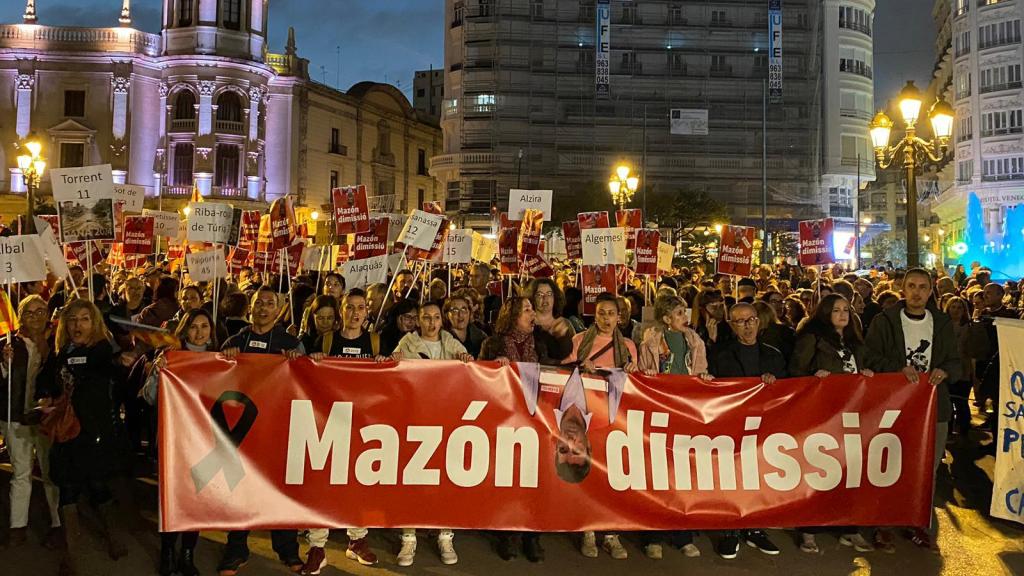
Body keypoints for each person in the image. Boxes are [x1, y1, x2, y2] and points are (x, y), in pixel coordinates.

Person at [864, 268, 961, 552]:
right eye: (911, 286)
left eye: (922, 287)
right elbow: (869, 355)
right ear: (902, 289)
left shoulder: (941, 322)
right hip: (895, 405)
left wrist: (945, 371)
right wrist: (897, 370)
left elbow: (956, 361)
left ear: (931, 291)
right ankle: (883, 524)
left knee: (927, 468)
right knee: (890, 465)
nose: (917, 292)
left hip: (934, 406)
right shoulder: (885, 321)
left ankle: (917, 521)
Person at [217, 288, 304, 576]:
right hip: (243, 429)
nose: (264, 308)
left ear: (279, 310)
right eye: (259, 303)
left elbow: (308, 382)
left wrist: (298, 363)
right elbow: (218, 378)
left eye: (270, 303)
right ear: (250, 308)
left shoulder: (291, 344)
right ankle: (237, 547)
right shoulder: (235, 341)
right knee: (240, 489)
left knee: (280, 490)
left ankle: (287, 548)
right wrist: (225, 357)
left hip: (279, 427)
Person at [301, 288, 383, 573]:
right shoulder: (325, 340)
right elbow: (305, 377)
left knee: (359, 484)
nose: (355, 312)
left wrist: (385, 364)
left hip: (362, 424)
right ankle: (317, 545)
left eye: (360, 307)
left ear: (366, 312)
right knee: (322, 484)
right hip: (328, 423)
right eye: (350, 307)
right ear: (342, 311)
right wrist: (314, 360)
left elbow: (387, 381)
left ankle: (357, 540)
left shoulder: (374, 342)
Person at [788, 293, 876, 553]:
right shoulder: (812, 338)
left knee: (850, 472)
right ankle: (809, 530)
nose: (842, 314)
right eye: (836, 310)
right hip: (822, 417)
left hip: (851, 415)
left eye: (846, 309)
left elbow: (862, 369)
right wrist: (814, 377)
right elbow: (794, 371)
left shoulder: (853, 342)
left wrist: (866, 374)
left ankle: (850, 528)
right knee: (818, 471)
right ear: (825, 313)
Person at [46, 300, 129, 575]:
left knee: (97, 488)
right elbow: (46, 383)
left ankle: (114, 537)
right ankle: (72, 556)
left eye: (84, 319)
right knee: (67, 493)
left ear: (94, 323)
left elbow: (110, 368)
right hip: (67, 434)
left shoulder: (102, 350)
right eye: (72, 320)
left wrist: (122, 361)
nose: (77, 325)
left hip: (94, 435)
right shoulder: (60, 353)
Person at [392, 300, 471, 567]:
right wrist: (389, 362)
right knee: (413, 480)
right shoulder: (407, 344)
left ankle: (445, 533)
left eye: (436, 317)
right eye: (426, 317)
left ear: (442, 320)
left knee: (445, 481)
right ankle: (409, 536)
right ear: (418, 320)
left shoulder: (452, 345)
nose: (431, 322)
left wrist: (466, 361)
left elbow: (470, 374)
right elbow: (391, 373)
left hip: (445, 421)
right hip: (414, 421)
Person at [141, 308, 218, 576]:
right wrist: (158, 372)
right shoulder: (170, 357)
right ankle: (167, 550)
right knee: (171, 497)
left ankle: (187, 553)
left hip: (205, 441)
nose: (199, 332)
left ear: (211, 330)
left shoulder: (220, 359)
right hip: (174, 440)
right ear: (184, 330)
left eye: (204, 326)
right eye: (193, 327)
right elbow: (150, 397)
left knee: (195, 499)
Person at [561, 293, 637, 560]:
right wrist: (580, 366)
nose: (606, 319)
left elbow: (635, 383)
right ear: (595, 315)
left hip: (615, 420)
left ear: (620, 317)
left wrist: (632, 369)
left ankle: (610, 533)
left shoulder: (628, 346)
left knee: (612, 476)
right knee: (590, 473)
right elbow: (562, 373)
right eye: (601, 313)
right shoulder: (579, 341)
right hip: (586, 418)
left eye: (611, 314)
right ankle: (589, 530)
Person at [707, 302, 784, 559]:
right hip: (731, 426)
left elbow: (788, 392)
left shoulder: (773, 355)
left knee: (758, 477)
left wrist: (774, 384)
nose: (747, 326)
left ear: (759, 322)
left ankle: (754, 528)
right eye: (740, 321)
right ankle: (730, 530)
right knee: (731, 477)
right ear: (732, 325)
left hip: (764, 426)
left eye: (751, 320)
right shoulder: (720, 353)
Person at [635, 294, 707, 560]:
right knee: (657, 474)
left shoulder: (694, 340)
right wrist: (649, 376)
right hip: (660, 411)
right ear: (666, 318)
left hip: (685, 412)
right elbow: (643, 373)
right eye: (678, 314)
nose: (684, 318)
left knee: (682, 475)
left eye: (684, 313)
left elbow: (700, 369)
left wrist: (703, 378)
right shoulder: (652, 341)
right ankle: (652, 535)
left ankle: (681, 533)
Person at [478, 297, 550, 562]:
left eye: (533, 309)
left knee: (532, 480)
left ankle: (531, 536)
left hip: (534, 420)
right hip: (504, 420)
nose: (533, 313)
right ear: (512, 315)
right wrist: (492, 369)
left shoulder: (540, 344)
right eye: (527, 309)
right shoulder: (493, 344)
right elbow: (477, 379)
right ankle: (507, 535)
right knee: (507, 480)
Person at [0, 295, 61, 550]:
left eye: (41, 311)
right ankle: (18, 526)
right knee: (22, 472)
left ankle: (58, 525)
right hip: (16, 418)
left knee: (50, 472)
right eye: (30, 312)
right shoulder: (8, 345)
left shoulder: (56, 342)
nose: (36, 317)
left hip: (47, 417)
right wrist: (4, 363)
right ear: (21, 316)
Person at [522, 278, 575, 362]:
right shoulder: (525, 324)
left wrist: (562, 339)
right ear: (532, 298)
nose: (545, 298)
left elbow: (573, 356)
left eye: (549, 294)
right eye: (539, 294)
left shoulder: (565, 324)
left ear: (555, 297)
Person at [944, 296, 973, 439]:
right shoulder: (942, 326)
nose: (956, 311)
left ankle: (964, 430)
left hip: (963, 368)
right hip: (946, 368)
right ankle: (948, 431)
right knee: (947, 401)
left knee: (961, 401)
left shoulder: (969, 327)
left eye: (959, 308)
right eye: (953, 307)